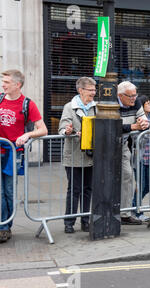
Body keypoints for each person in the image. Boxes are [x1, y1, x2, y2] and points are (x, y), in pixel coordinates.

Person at [0, 69, 48, 243]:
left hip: (13, 154)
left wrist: (27, 135)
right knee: (0, 192)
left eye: (6, 82)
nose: (3, 85)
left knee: (9, 192)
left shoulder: (27, 104)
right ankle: (3, 227)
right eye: (3, 81)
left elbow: (43, 129)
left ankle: (6, 224)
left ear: (17, 85)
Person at [58, 77, 97, 233]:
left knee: (88, 189)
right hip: (73, 155)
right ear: (80, 90)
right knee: (74, 190)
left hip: (90, 155)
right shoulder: (70, 107)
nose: (94, 93)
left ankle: (85, 220)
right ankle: (69, 222)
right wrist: (70, 131)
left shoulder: (96, 107)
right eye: (90, 90)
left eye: (95, 90)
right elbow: (62, 127)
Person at [117, 81, 149, 225]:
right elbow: (112, 125)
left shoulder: (135, 103)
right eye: (130, 96)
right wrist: (132, 126)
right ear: (120, 96)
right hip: (107, 146)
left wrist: (144, 123)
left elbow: (143, 119)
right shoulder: (112, 103)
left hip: (123, 145)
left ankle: (124, 213)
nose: (134, 99)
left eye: (135, 95)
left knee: (128, 175)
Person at [132, 95, 150, 222]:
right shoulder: (140, 120)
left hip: (148, 157)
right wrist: (148, 130)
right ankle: (135, 210)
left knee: (149, 184)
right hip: (139, 158)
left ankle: (134, 205)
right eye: (148, 103)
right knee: (141, 184)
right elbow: (137, 139)